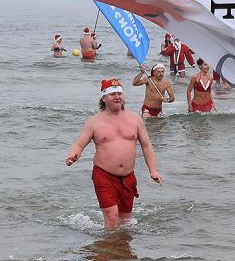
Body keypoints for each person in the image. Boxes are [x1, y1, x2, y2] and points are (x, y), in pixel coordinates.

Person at [66, 79, 163, 228]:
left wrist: (153, 170)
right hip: (103, 175)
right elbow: (79, 144)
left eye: (119, 93)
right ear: (104, 98)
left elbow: (146, 145)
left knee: (125, 221)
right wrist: (73, 156)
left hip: (128, 177)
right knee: (112, 216)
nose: (117, 97)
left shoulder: (135, 119)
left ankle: (120, 243)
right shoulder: (94, 122)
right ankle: (108, 243)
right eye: (113, 94)